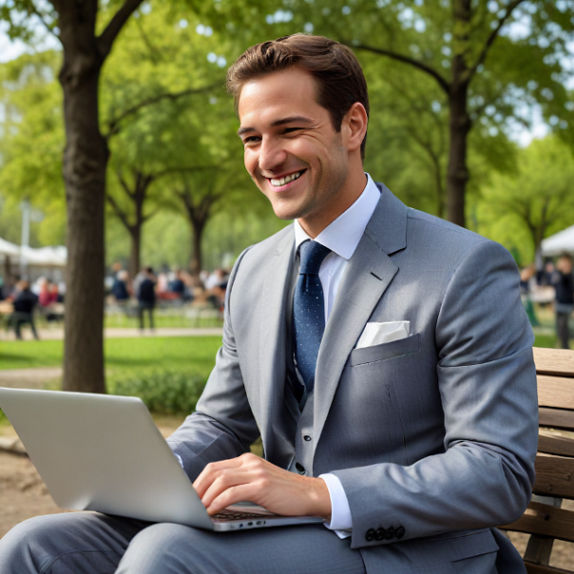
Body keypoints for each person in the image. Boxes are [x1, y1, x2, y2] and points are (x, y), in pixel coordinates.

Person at [0, 34, 538, 574]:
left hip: (412, 551)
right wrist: (146, 477)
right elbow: (219, 423)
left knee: (166, 555)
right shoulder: (253, 269)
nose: (267, 157)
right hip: (282, 533)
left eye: (289, 130)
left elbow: (496, 472)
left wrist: (318, 493)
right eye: (251, 138)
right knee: (32, 545)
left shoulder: (465, 266)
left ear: (353, 125)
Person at [551, 253, 574, 349]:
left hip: (568, 306)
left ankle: (566, 348)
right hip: (559, 304)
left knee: (566, 329)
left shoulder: (571, 275)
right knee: (560, 329)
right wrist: (554, 302)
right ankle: (563, 346)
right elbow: (556, 290)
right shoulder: (557, 274)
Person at [136, 266, 156, 332]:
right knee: (148, 314)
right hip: (146, 299)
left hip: (146, 299)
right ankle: (146, 327)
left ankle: (145, 327)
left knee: (148, 314)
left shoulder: (149, 279)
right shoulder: (145, 278)